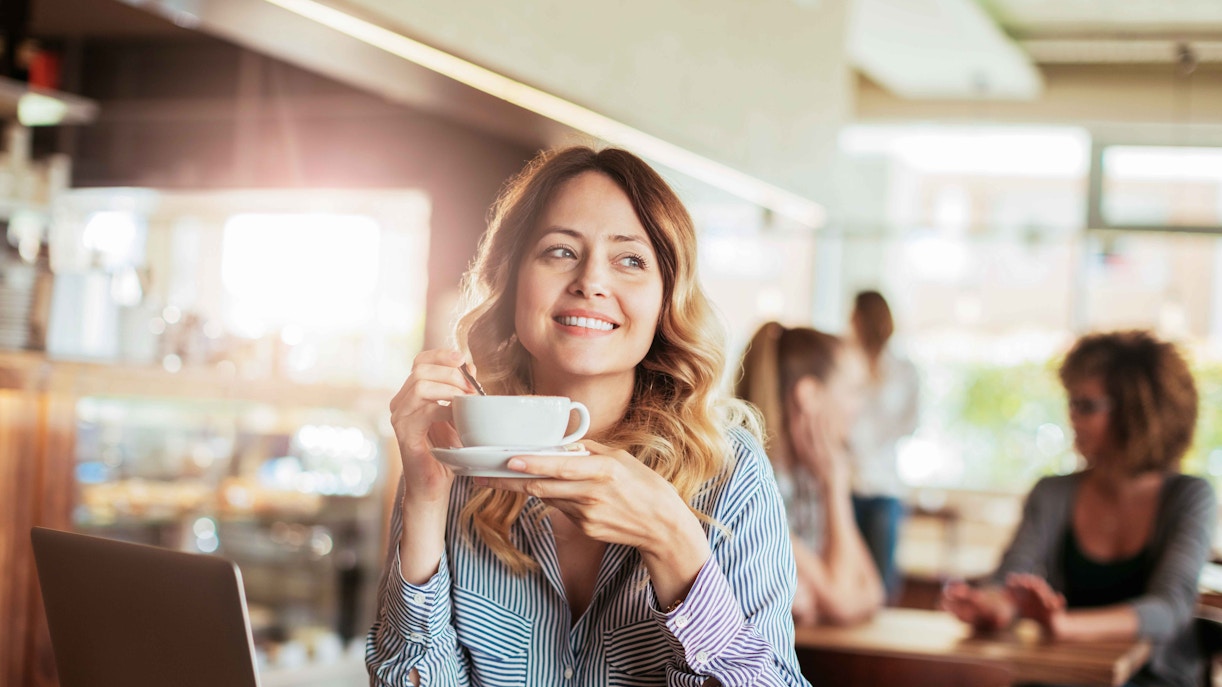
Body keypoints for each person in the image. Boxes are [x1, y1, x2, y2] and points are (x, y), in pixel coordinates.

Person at [366, 146, 807, 686]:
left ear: (667, 298)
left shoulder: (729, 473)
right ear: (511, 281)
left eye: (630, 260)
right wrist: (426, 500)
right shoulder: (456, 459)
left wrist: (673, 542)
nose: (591, 281)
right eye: (560, 251)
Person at [941, 330, 1216, 687]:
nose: (1071, 417)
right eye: (1071, 402)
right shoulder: (1052, 492)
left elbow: (1169, 609)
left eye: (1086, 405)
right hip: (1061, 675)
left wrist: (1066, 626)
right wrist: (994, 606)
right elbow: (1013, 578)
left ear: (1137, 412)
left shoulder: (1189, 496)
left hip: (1150, 677)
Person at [736, 322, 884, 626]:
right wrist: (835, 485)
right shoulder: (756, 485)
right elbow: (844, 602)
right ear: (809, 394)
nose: (859, 407)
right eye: (854, 391)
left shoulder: (807, 477)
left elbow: (872, 592)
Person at [846, 290, 919, 603]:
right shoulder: (845, 363)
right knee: (846, 573)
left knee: (881, 580)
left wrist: (870, 439)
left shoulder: (904, 369)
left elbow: (911, 422)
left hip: (884, 485)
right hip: (845, 483)